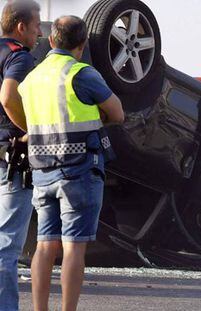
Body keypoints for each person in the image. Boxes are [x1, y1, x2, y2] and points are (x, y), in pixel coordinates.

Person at [18, 15, 124, 311]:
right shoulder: (82, 73)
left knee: (44, 245)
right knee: (73, 247)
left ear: (51, 40)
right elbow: (117, 113)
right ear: (83, 44)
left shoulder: (31, 80)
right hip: (78, 171)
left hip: (41, 172)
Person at [0, 1, 41, 310]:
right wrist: (29, 128)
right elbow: (8, 95)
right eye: (37, 26)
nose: (40, 33)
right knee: (7, 246)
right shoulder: (20, 57)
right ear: (21, 27)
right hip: (12, 159)